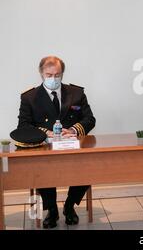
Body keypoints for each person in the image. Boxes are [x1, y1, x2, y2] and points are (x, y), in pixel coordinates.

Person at [17, 56, 96, 228]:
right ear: (41, 74)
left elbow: (90, 119)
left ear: (62, 74)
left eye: (57, 74)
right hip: (44, 148)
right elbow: (23, 126)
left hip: (72, 146)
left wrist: (74, 130)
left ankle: (69, 206)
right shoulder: (29, 97)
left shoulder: (76, 93)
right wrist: (46, 133)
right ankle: (51, 210)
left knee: (88, 164)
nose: (53, 78)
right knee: (42, 169)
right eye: (49, 74)